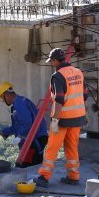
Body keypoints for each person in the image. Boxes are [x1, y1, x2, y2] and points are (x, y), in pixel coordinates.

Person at [34, 48, 86, 187]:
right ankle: (73, 176)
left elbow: (59, 100)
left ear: (56, 60)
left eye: (51, 61)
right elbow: (84, 95)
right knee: (72, 147)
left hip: (63, 119)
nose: (51, 63)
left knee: (52, 147)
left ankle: (44, 177)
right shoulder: (78, 72)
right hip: (78, 118)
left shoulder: (58, 76)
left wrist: (55, 121)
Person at [0, 82, 48, 167]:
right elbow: (15, 127)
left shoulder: (19, 103)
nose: (3, 101)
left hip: (34, 140)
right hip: (32, 140)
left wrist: (20, 137)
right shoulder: (18, 104)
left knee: (24, 167)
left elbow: (27, 122)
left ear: (6, 94)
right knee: (28, 167)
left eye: (2, 98)